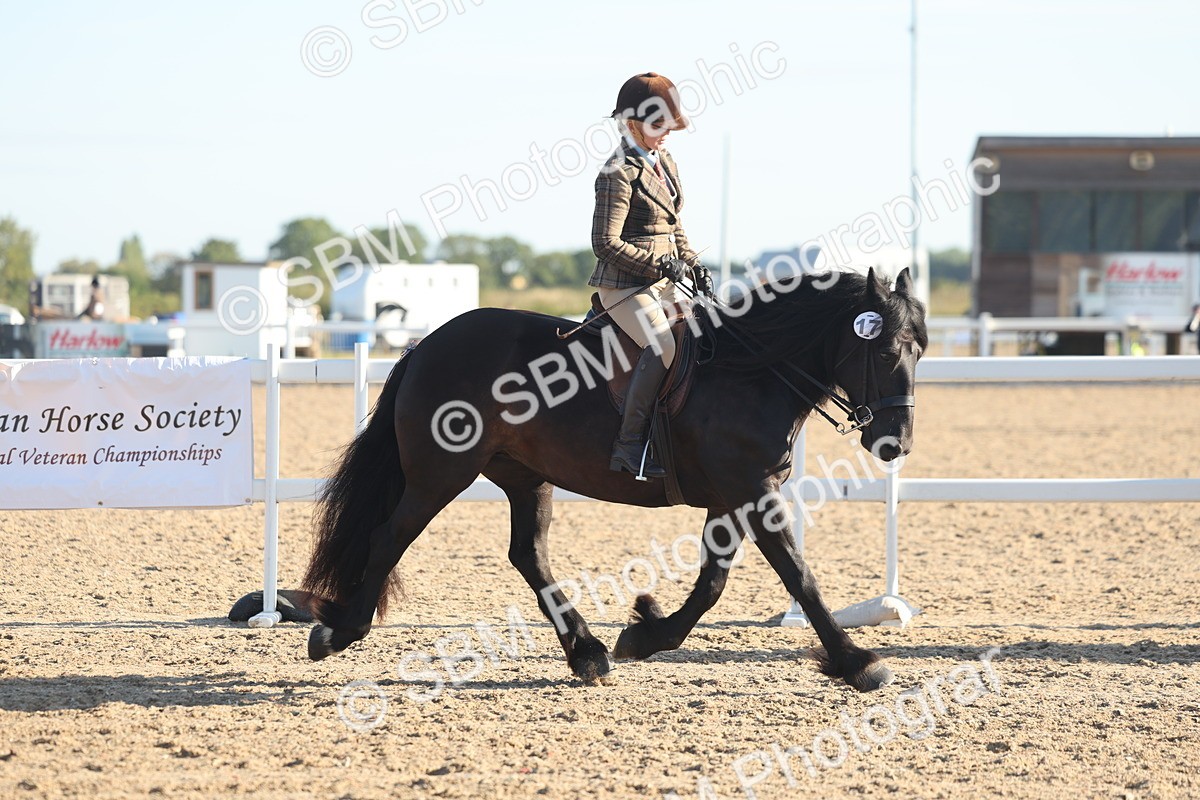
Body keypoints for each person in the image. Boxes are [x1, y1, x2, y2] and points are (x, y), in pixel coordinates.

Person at [589, 72, 714, 479]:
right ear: (631, 125)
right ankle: (629, 445)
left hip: (664, 281)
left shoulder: (666, 162)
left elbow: (674, 226)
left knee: (707, 333)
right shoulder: (617, 173)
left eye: (670, 126)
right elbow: (604, 243)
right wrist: (660, 265)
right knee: (662, 345)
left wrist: (692, 262)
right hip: (624, 286)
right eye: (658, 126)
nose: (666, 134)